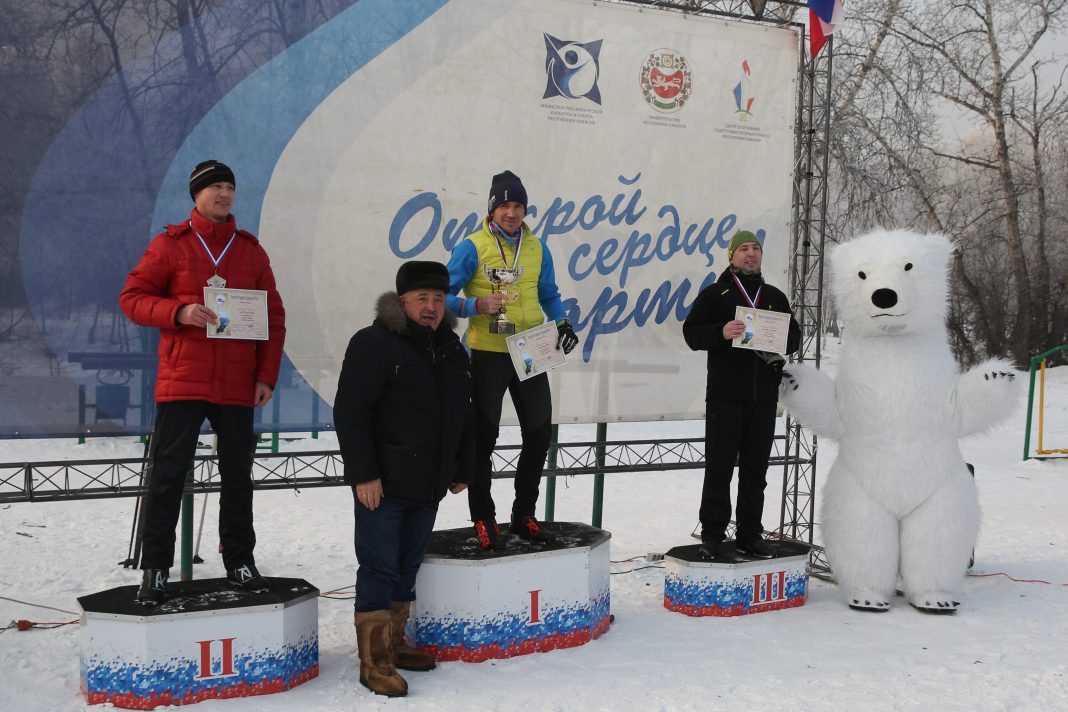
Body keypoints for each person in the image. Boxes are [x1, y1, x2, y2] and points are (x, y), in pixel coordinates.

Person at [119, 159, 286, 604]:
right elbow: (132, 298)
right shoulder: (170, 245)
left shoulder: (250, 250)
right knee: (168, 475)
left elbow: (273, 317)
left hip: (236, 383)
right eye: (214, 187)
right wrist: (178, 312)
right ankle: (155, 567)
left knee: (238, 476)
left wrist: (266, 374)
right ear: (196, 195)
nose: (224, 194)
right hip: (183, 380)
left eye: (230, 187)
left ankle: (240, 560)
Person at [333, 260, 473, 698]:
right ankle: (373, 662)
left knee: (406, 567)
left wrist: (460, 467)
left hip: (427, 485)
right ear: (402, 302)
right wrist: (364, 474)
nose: (431, 307)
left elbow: (462, 414)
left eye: (437, 299)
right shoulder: (373, 344)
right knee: (378, 568)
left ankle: (394, 645)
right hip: (383, 484)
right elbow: (351, 414)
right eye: (421, 299)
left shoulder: (450, 348)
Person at [446, 170, 579, 551]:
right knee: (484, 438)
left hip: (530, 350)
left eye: (518, 205)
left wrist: (563, 323)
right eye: (504, 205)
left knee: (538, 434)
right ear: (491, 209)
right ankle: (483, 517)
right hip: (488, 353)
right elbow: (444, 295)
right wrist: (475, 305)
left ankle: (523, 515)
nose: (511, 212)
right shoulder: (472, 246)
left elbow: (550, 295)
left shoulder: (537, 248)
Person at [682, 230, 800, 559]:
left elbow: (795, 336)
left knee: (755, 470)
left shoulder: (774, 296)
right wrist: (720, 332)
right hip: (725, 396)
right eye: (744, 248)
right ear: (731, 255)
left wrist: (781, 339)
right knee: (719, 469)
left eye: (756, 248)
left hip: (763, 398)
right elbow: (691, 333)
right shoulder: (715, 294)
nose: (751, 253)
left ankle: (750, 535)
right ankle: (712, 537)